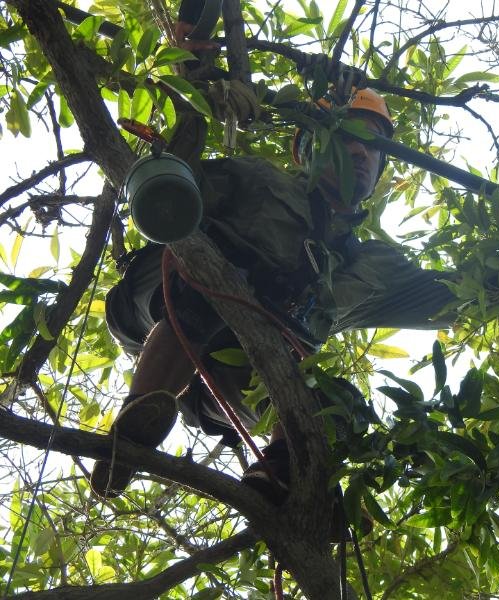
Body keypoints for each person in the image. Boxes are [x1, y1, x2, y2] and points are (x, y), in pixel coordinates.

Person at [89, 86, 458, 499]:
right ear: (313, 147)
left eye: (374, 146)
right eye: (349, 138)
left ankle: (283, 477)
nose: (362, 154)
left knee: (337, 405)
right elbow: (170, 181)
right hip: (162, 301)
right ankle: (134, 425)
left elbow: (457, 298)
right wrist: (202, 95)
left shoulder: (370, 265)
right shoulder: (260, 180)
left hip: (225, 374)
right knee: (216, 285)